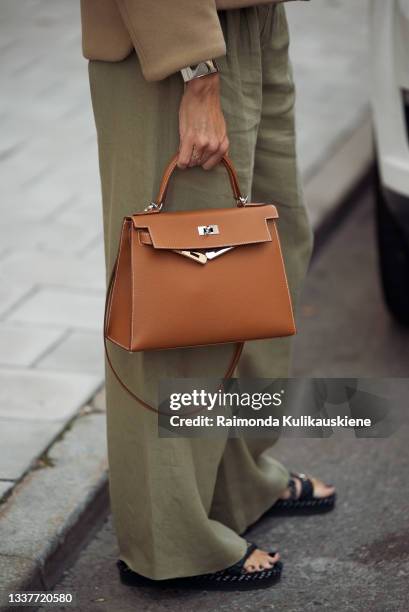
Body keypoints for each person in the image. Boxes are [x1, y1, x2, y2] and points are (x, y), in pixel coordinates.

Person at [81, 0, 336, 590]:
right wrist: (196, 68)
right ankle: (171, 541)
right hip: (173, 38)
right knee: (179, 296)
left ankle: (235, 482)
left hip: (254, 19)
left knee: (268, 254)